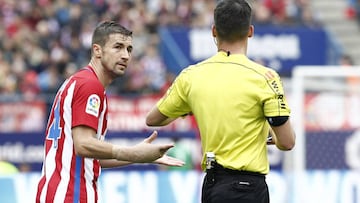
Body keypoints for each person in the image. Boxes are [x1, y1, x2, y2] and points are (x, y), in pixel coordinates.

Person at [145, 1, 296, 203]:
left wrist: (190, 107)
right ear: (250, 31)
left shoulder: (191, 76)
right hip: (249, 188)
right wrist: (267, 135)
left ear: (214, 31)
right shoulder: (266, 78)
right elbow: (287, 142)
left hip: (212, 184)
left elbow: (153, 119)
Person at [35, 21, 184, 203]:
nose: (125, 55)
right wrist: (133, 153)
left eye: (129, 49)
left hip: (57, 193)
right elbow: (83, 145)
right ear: (97, 50)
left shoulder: (78, 81)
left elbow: (91, 158)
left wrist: (137, 154)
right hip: (70, 195)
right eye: (118, 47)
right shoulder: (90, 85)